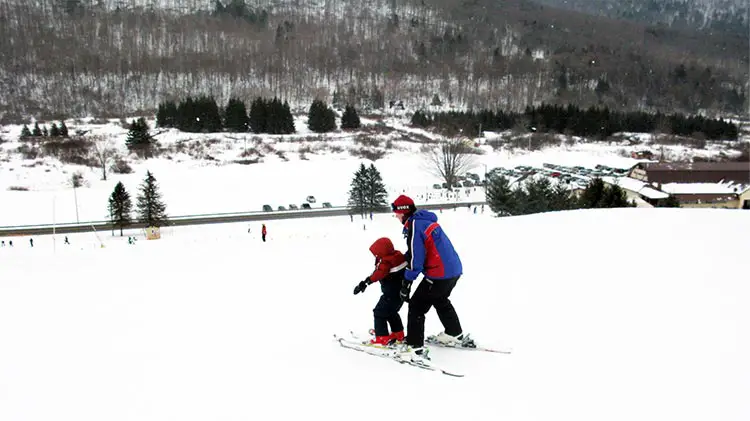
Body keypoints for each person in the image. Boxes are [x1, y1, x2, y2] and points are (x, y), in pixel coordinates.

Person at [391, 194, 467, 359]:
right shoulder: (425, 221)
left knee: (417, 307)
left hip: (439, 273)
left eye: (396, 212)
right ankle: (454, 333)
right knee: (440, 300)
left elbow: (416, 258)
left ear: (403, 212)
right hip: (453, 270)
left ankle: (414, 347)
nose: (395, 216)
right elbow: (418, 251)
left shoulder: (414, 224)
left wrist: (407, 282)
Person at [353, 237, 407, 346]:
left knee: (379, 312)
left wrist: (366, 282)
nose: (376, 256)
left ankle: (382, 337)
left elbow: (379, 273)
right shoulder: (397, 256)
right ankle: (398, 333)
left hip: (390, 294)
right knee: (392, 313)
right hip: (399, 294)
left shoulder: (386, 262)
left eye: (377, 254)